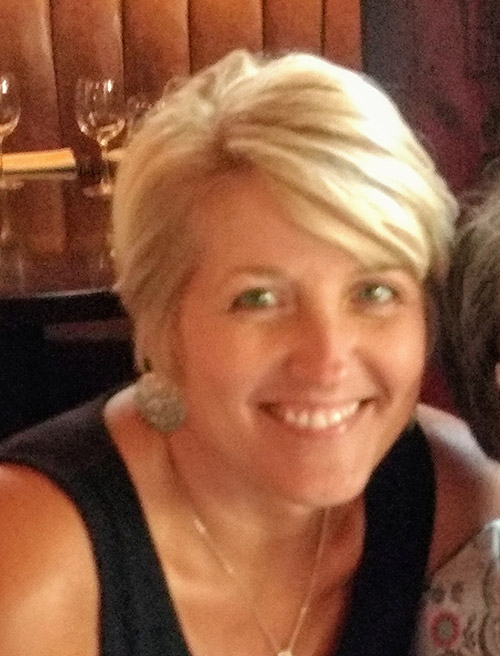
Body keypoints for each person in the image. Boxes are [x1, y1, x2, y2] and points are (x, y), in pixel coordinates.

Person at [0, 49, 499, 656]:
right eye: (258, 298)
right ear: (160, 322)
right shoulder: (32, 556)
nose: (327, 361)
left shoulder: (458, 499)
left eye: (374, 292)